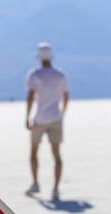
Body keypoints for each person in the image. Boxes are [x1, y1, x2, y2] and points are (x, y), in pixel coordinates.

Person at [25, 42, 69, 201]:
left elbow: (30, 96)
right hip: (56, 117)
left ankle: (35, 182)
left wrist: (27, 117)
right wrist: (62, 112)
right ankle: (56, 188)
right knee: (56, 154)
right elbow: (65, 96)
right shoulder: (60, 75)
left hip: (40, 118)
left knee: (34, 151)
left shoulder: (34, 74)